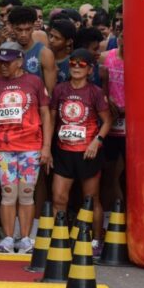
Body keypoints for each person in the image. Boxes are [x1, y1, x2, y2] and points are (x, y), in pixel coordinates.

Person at [0, 42, 52, 254]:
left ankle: (25, 238)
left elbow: (45, 114)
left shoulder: (34, 81)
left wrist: (46, 147)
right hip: (3, 146)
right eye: (0, 62)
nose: (3, 66)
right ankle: (8, 238)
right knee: (8, 193)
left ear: (19, 61)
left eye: (8, 63)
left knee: (26, 193)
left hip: (30, 146)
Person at [50, 48, 112, 257]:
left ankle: (96, 240)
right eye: (73, 63)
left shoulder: (95, 92)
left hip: (88, 153)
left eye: (81, 64)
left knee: (91, 199)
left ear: (90, 69)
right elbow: (51, 118)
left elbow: (107, 120)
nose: (76, 67)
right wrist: (47, 147)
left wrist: (97, 141)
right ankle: (60, 238)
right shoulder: (60, 89)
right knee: (59, 198)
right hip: (63, 151)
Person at [99, 30, 125, 212]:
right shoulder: (106, 57)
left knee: (125, 173)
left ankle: (125, 212)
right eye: (123, 36)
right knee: (108, 172)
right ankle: (109, 214)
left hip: (131, 125)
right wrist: (108, 101)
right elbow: (99, 87)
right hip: (110, 121)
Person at [48, 19, 77, 84]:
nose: (51, 40)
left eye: (57, 38)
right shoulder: (44, 57)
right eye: (51, 36)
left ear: (68, 41)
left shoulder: (72, 63)